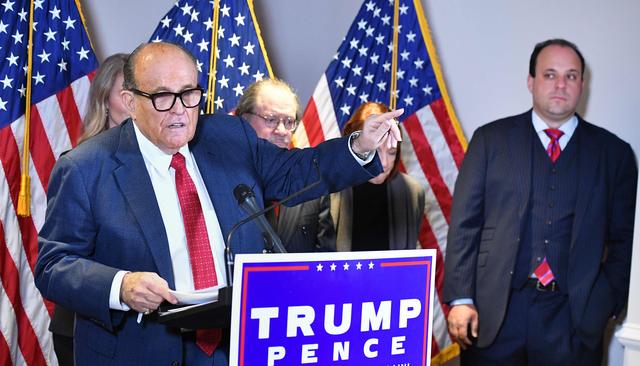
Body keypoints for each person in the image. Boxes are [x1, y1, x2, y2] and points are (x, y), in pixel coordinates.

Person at [34, 41, 403, 366]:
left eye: (190, 93)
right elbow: (54, 265)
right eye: (163, 96)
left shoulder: (229, 137)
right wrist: (121, 285)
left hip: (234, 345)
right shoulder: (85, 167)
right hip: (141, 349)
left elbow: (297, 172)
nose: (180, 110)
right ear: (130, 102)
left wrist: (360, 146)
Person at [443, 39, 637, 365]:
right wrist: (461, 298)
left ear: (582, 86)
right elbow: (465, 225)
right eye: (550, 74)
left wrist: (606, 301)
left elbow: (627, 240)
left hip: (574, 321)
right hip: (495, 315)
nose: (561, 85)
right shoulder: (490, 141)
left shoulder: (614, 154)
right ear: (531, 82)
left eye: (571, 76)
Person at [48, 52, 129, 366]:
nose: (136, 101)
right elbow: (61, 258)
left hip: (142, 331)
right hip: (84, 326)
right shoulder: (79, 164)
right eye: (126, 93)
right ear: (105, 99)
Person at [235, 78, 336, 253]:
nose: (282, 131)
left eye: (289, 121)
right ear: (244, 120)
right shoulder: (220, 180)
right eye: (271, 119)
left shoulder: (312, 185)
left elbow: (325, 262)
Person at [332, 102, 425, 251]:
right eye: (374, 151)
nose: (384, 163)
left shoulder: (412, 192)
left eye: (392, 152)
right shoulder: (330, 190)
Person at [79, 53, 130, 143]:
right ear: (104, 100)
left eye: (140, 94)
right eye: (125, 95)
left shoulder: (159, 149)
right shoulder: (83, 156)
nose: (135, 104)